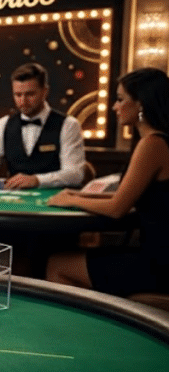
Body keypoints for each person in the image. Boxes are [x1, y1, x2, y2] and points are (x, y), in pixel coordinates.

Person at [46, 68, 169, 296]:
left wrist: (71, 201)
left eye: (121, 99)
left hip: (158, 263)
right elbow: (125, 195)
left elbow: (117, 208)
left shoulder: (152, 144)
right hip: (156, 254)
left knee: (57, 264)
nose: (114, 106)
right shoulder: (157, 141)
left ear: (141, 104)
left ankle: (74, 331)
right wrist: (76, 196)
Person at [0, 63, 85, 189]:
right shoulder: (3, 124)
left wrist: (37, 180)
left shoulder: (68, 125)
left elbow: (75, 174)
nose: (23, 101)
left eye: (30, 94)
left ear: (45, 91)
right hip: (13, 200)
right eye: (18, 95)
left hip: (55, 200)